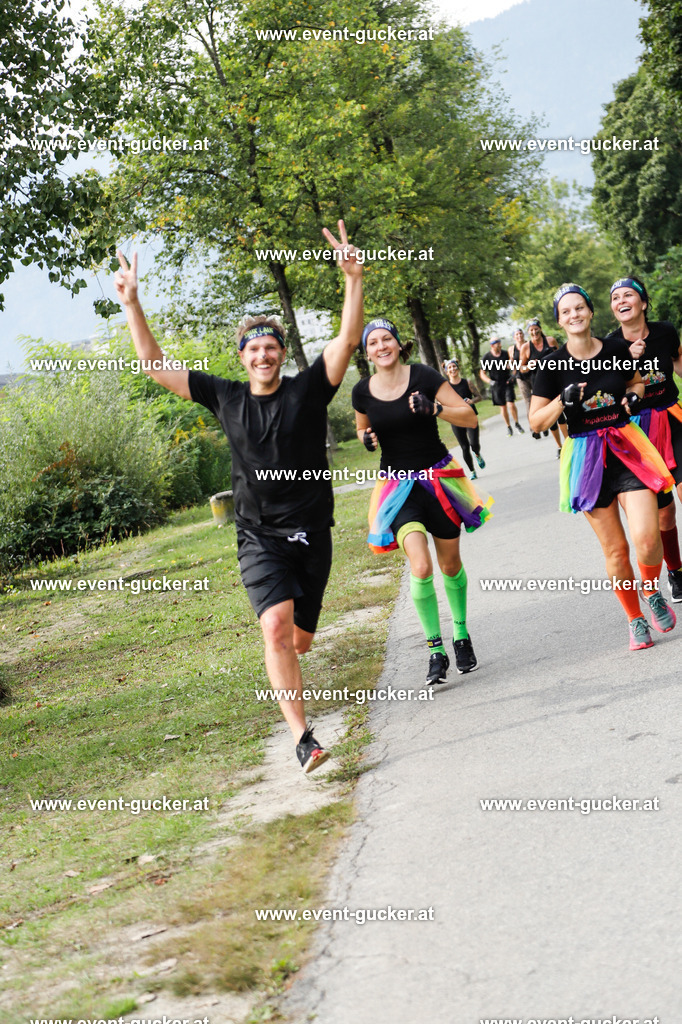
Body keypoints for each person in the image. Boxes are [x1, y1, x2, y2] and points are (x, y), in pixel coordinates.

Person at [113, 221, 363, 773]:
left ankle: (296, 673)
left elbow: (345, 341)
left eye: (272, 347)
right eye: (255, 348)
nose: (264, 355)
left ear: (280, 355)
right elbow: (155, 366)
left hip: (312, 532)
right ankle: (303, 739)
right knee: (274, 626)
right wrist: (133, 303)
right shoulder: (224, 397)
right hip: (257, 535)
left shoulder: (308, 389)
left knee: (299, 642)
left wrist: (352, 279)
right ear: (243, 357)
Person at [530, 283, 677, 651]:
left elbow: (638, 383)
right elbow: (536, 422)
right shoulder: (552, 365)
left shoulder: (615, 349)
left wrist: (633, 395)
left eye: (580, 308)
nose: (574, 315)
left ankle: (651, 589)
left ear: (591, 312)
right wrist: (562, 403)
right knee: (615, 551)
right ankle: (634, 618)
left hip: (627, 446)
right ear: (559, 321)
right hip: (585, 456)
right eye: (566, 311)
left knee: (646, 538)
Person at [352, 319, 493, 683]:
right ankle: (435, 650)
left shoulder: (425, 376)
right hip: (398, 488)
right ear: (366, 352)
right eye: (373, 342)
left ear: (399, 344)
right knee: (420, 565)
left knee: (449, 565)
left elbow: (469, 415)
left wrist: (435, 409)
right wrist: (366, 440)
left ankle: (461, 635)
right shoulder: (361, 392)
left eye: (387, 339)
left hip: (440, 482)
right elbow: (362, 429)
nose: (381, 346)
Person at [607, 276, 682, 602]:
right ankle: (676, 572)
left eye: (628, 295)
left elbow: (677, 358)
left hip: (673, 418)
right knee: (664, 514)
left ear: (643, 303)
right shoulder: (610, 346)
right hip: (638, 434)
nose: (621, 300)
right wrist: (629, 361)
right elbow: (607, 391)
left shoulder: (665, 331)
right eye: (615, 297)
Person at [522, 318, 565, 456]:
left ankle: (569, 442)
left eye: (536, 329)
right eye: (531, 330)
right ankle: (560, 447)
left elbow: (561, 356)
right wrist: (529, 366)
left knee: (562, 414)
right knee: (550, 418)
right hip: (540, 386)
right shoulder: (526, 347)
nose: (534, 332)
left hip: (556, 381)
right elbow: (521, 368)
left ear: (540, 329)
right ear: (528, 332)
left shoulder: (550, 341)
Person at [443, 358, 486, 479]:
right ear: (447, 371)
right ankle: (472, 471)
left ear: (458, 368)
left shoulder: (467, 382)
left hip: (469, 416)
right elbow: (442, 403)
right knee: (464, 447)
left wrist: (472, 401)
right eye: (449, 368)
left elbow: (479, 396)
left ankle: (477, 453)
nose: (452, 369)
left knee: (474, 444)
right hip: (456, 419)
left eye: (454, 366)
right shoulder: (446, 387)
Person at [480, 337, 524, 436]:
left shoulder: (505, 354)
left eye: (500, 342)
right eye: (497, 343)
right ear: (492, 345)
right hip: (496, 385)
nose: (500, 344)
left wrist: (513, 375)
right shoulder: (486, 357)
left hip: (507, 382)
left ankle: (517, 423)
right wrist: (490, 381)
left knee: (511, 404)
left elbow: (513, 365)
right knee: (503, 407)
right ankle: (508, 426)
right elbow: (482, 373)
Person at [509, 327, 533, 424]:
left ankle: (542, 423)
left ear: (523, 334)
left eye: (520, 333)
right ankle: (533, 426)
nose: (519, 336)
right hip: (520, 378)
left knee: (537, 398)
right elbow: (512, 363)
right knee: (527, 401)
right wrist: (512, 375)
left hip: (532, 375)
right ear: (514, 337)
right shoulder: (511, 349)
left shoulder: (530, 345)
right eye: (517, 334)